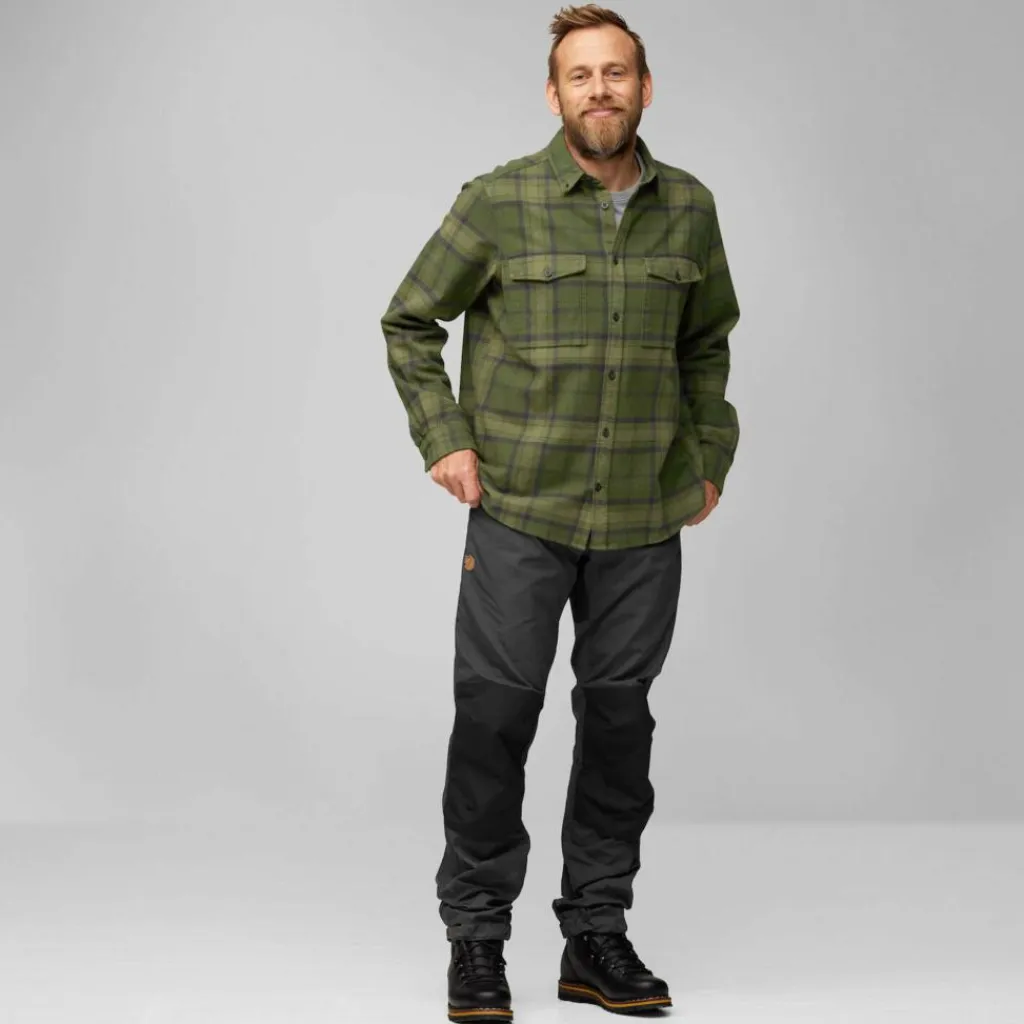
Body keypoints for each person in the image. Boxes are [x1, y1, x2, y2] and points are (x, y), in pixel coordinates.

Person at [381, 4, 740, 1019]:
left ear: (644, 87)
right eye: (580, 75)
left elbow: (706, 343)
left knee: (619, 724)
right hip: (521, 514)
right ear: (553, 95)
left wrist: (708, 456)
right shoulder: (498, 201)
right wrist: (443, 437)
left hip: (643, 519)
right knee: (495, 719)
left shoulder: (690, 208)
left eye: (616, 72)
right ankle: (476, 940)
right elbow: (409, 321)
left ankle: (595, 935)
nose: (599, 90)